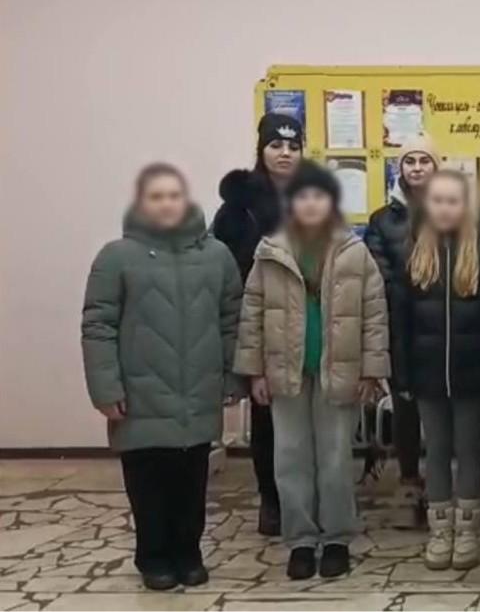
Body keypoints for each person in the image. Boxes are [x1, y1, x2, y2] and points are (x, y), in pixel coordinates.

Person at [81, 164, 242, 591]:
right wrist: (106, 389)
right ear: (142, 203)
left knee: (191, 480)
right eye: (157, 196)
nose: (167, 203)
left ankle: (189, 553)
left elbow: (232, 320)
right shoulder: (117, 257)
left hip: (197, 393)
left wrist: (233, 378)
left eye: (174, 195)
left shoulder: (217, 256)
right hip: (140, 396)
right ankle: (153, 557)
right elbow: (98, 326)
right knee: (149, 483)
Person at [234, 161, 389, 580]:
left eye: (319, 196)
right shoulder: (271, 251)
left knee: (335, 457)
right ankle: (300, 540)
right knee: (290, 458)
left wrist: (372, 370)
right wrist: (254, 372)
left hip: (339, 369)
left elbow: (375, 313)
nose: (310, 204)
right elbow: (252, 314)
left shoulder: (354, 251)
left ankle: (336, 537)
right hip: (286, 371)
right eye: (302, 196)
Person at [395, 170, 480, 570]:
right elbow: (402, 321)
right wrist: (403, 375)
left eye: (453, 201)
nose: (445, 208)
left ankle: (466, 530)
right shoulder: (414, 250)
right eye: (438, 201)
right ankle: (440, 530)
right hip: (427, 373)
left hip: (472, 373)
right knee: (436, 450)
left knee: (467, 449)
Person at [212, 112, 303, 536]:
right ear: (261, 149)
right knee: (267, 418)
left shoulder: (313, 198)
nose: (284, 153)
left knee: (305, 417)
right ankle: (271, 499)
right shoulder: (238, 208)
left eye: (293, 146)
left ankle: (306, 497)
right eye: (276, 145)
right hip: (260, 322)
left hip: (307, 321)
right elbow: (222, 271)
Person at [365, 135, 439, 526]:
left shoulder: (451, 211)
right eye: (409, 161)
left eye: (424, 160)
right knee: (406, 409)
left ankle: (442, 489)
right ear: (400, 168)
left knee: (440, 410)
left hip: (442, 327)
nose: (417, 167)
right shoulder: (382, 220)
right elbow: (379, 274)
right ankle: (410, 484)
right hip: (400, 327)